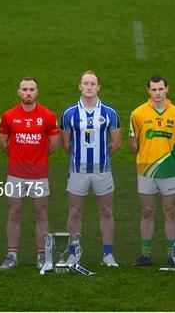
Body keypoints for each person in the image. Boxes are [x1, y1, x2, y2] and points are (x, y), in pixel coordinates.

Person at [61, 71, 122, 267]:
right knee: (75, 211)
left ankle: (108, 255)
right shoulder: (69, 113)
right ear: (80, 86)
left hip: (102, 171)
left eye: (92, 83)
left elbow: (116, 142)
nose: (89, 87)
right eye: (85, 83)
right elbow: (66, 144)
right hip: (78, 170)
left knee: (106, 210)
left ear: (98, 87)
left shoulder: (109, 112)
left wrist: (101, 158)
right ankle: (73, 253)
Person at [0, 77, 59, 270]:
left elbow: (54, 144)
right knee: (14, 213)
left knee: (41, 214)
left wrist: (37, 156)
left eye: (32, 89)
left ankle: (41, 256)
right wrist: (18, 156)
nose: (28, 93)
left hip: (39, 175)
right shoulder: (8, 116)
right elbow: (2, 142)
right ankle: (12, 255)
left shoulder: (48, 116)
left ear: (37, 92)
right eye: (24, 89)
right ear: (19, 92)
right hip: (15, 174)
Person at [129, 76, 175, 267]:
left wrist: (170, 158)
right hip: (146, 170)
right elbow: (132, 141)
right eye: (153, 90)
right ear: (148, 91)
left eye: (160, 89)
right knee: (147, 211)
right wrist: (145, 154)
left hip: (169, 170)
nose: (157, 93)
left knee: (170, 211)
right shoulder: (138, 113)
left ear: (167, 89)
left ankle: (172, 256)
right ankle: (145, 255)